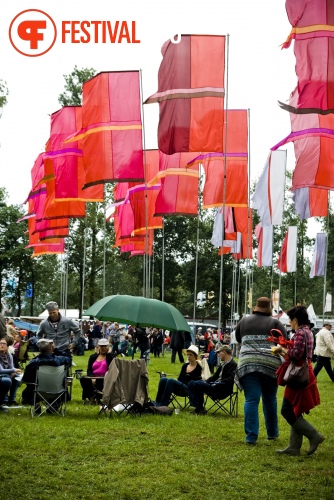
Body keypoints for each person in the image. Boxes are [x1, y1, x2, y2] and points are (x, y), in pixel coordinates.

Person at [273, 305, 324, 456]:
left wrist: (281, 349)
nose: (290, 323)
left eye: (290, 320)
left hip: (298, 374)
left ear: (295, 319)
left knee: (287, 410)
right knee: (296, 409)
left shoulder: (300, 333)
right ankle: (294, 447)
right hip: (304, 372)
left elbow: (296, 354)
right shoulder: (308, 331)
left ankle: (314, 435)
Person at [235, 297, 287, 445]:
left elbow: (239, 339)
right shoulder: (275, 323)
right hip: (270, 365)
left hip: (247, 364)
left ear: (256, 307)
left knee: (251, 399)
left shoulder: (243, 321)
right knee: (270, 398)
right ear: (269, 308)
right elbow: (284, 341)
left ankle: (251, 437)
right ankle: (272, 433)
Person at [188, 346, 237, 414]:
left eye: (219, 353)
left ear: (224, 353)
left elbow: (230, 380)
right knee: (192, 383)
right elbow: (214, 377)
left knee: (198, 384)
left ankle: (199, 409)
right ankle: (198, 407)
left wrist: (216, 384)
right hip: (214, 386)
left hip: (222, 390)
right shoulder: (223, 364)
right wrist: (206, 382)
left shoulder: (233, 365)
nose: (218, 355)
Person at [21, 338, 71, 405]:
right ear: (51, 349)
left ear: (39, 350)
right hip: (59, 392)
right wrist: (56, 349)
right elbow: (69, 358)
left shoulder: (33, 363)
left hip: (38, 392)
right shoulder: (61, 360)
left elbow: (26, 379)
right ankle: (54, 405)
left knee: (30, 386)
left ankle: (36, 403)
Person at [80, 338, 115, 404]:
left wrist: (109, 353)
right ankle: (91, 397)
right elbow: (89, 370)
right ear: (98, 347)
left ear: (108, 347)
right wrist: (92, 377)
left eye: (105, 346)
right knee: (83, 379)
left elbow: (113, 368)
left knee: (99, 380)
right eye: (101, 346)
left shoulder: (110, 357)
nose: (103, 348)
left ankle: (97, 398)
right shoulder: (93, 357)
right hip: (93, 377)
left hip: (105, 378)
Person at [0, 337, 22, 410]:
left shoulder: (9, 356)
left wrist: (13, 372)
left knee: (16, 376)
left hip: (6, 374)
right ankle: (4, 400)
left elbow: (11, 367)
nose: (2, 345)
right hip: (2, 374)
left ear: (7, 346)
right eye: (0, 343)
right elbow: (1, 370)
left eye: (4, 344)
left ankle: (12, 399)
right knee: (7, 378)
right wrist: (13, 370)